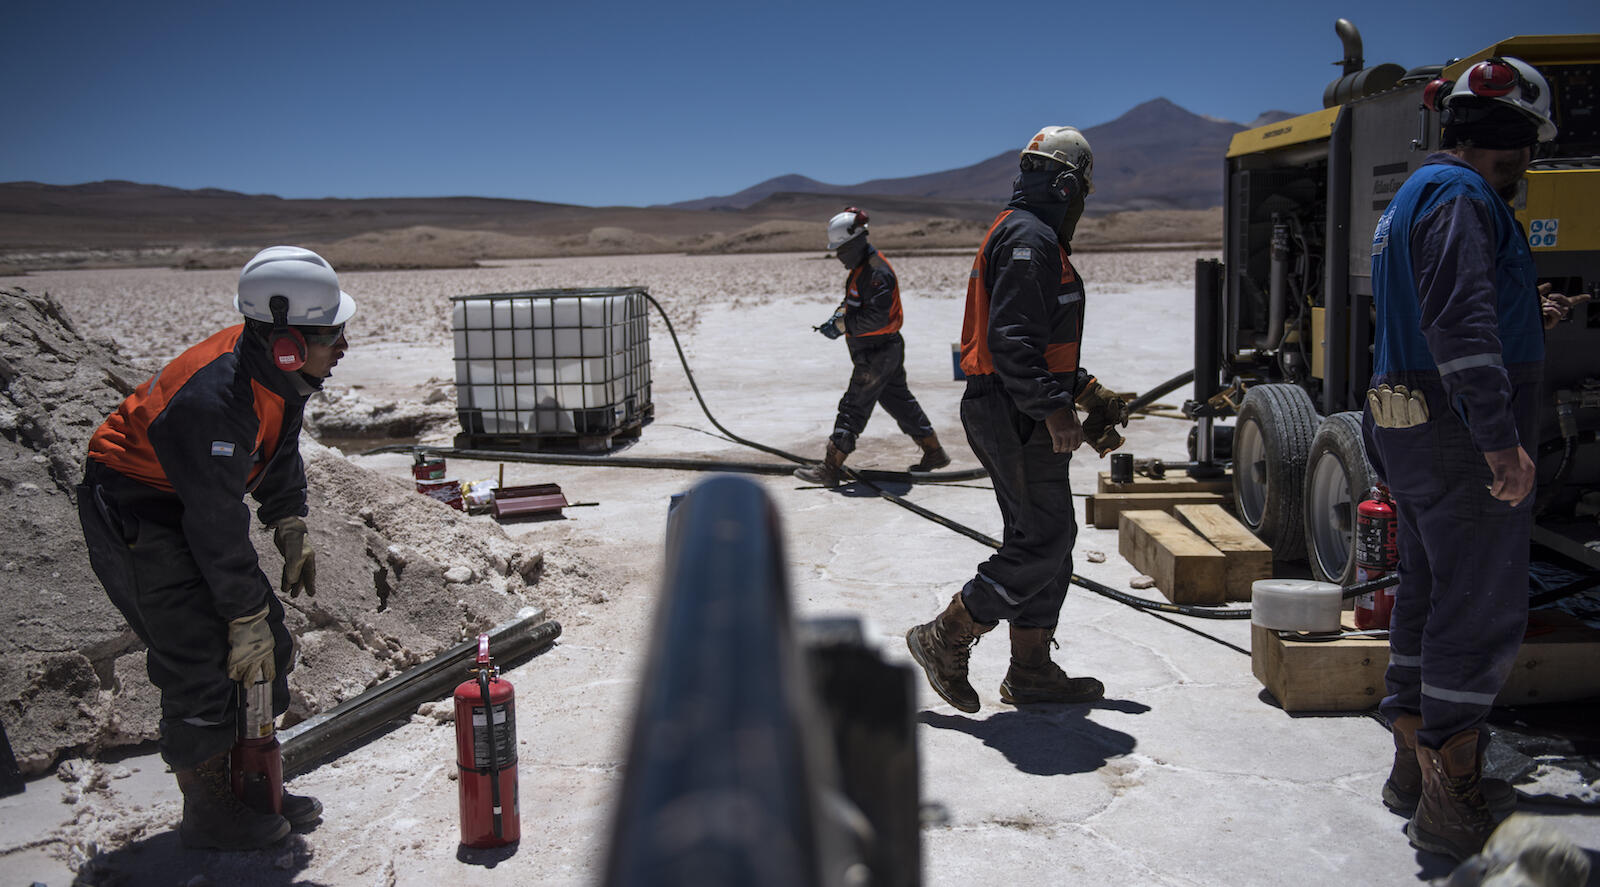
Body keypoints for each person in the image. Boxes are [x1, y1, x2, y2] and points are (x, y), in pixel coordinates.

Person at [1364, 57, 1579, 861]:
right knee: (1480, 603)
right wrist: (1500, 440)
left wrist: (1534, 311)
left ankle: (1410, 767)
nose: (1527, 166)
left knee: (1428, 589)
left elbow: (1443, 312)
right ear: (1516, 139)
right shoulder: (1463, 196)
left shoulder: (1418, 194)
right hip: (1458, 433)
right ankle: (1451, 797)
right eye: (1529, 149)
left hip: (1410, 421)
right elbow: (1459, 326)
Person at [77, 245, 355, 850]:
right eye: (332, 334)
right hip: (136, 506)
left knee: (267, 649)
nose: (343, 348)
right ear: (286, 340)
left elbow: (277, 447)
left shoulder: (278, 372)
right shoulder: (213, 399)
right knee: (201, 657)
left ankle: (253, 785)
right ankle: (210, 811)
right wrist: (242, 612)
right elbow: (213, 519)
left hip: (193, 501)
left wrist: (288, 521)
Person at [906, 126, 1123, 712]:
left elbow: (1036, 341)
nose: (1081, 204)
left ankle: (1030, 670)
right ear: (1066, 184)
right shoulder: (1031, 240)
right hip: (1013, 411)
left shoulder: (1024, 232)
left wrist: (1087, 390)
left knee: (1044, 538)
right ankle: (947, 633)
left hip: (1011, 403)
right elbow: (1012, 343)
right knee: (1045, 539)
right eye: (1081, 191)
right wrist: (1056, 410)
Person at [794, 206, 948, 486]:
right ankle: (934, 452)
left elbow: (877, 315)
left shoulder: (877, 273)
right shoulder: (861, 270)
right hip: (878, 350)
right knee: (900, 403)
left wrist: (843, 326)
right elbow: (854, 302)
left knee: (854, 406)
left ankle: (830, 468)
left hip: (878, 352)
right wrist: (839, 316)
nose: (838, 256)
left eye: (841, 249)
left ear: (855, 243)